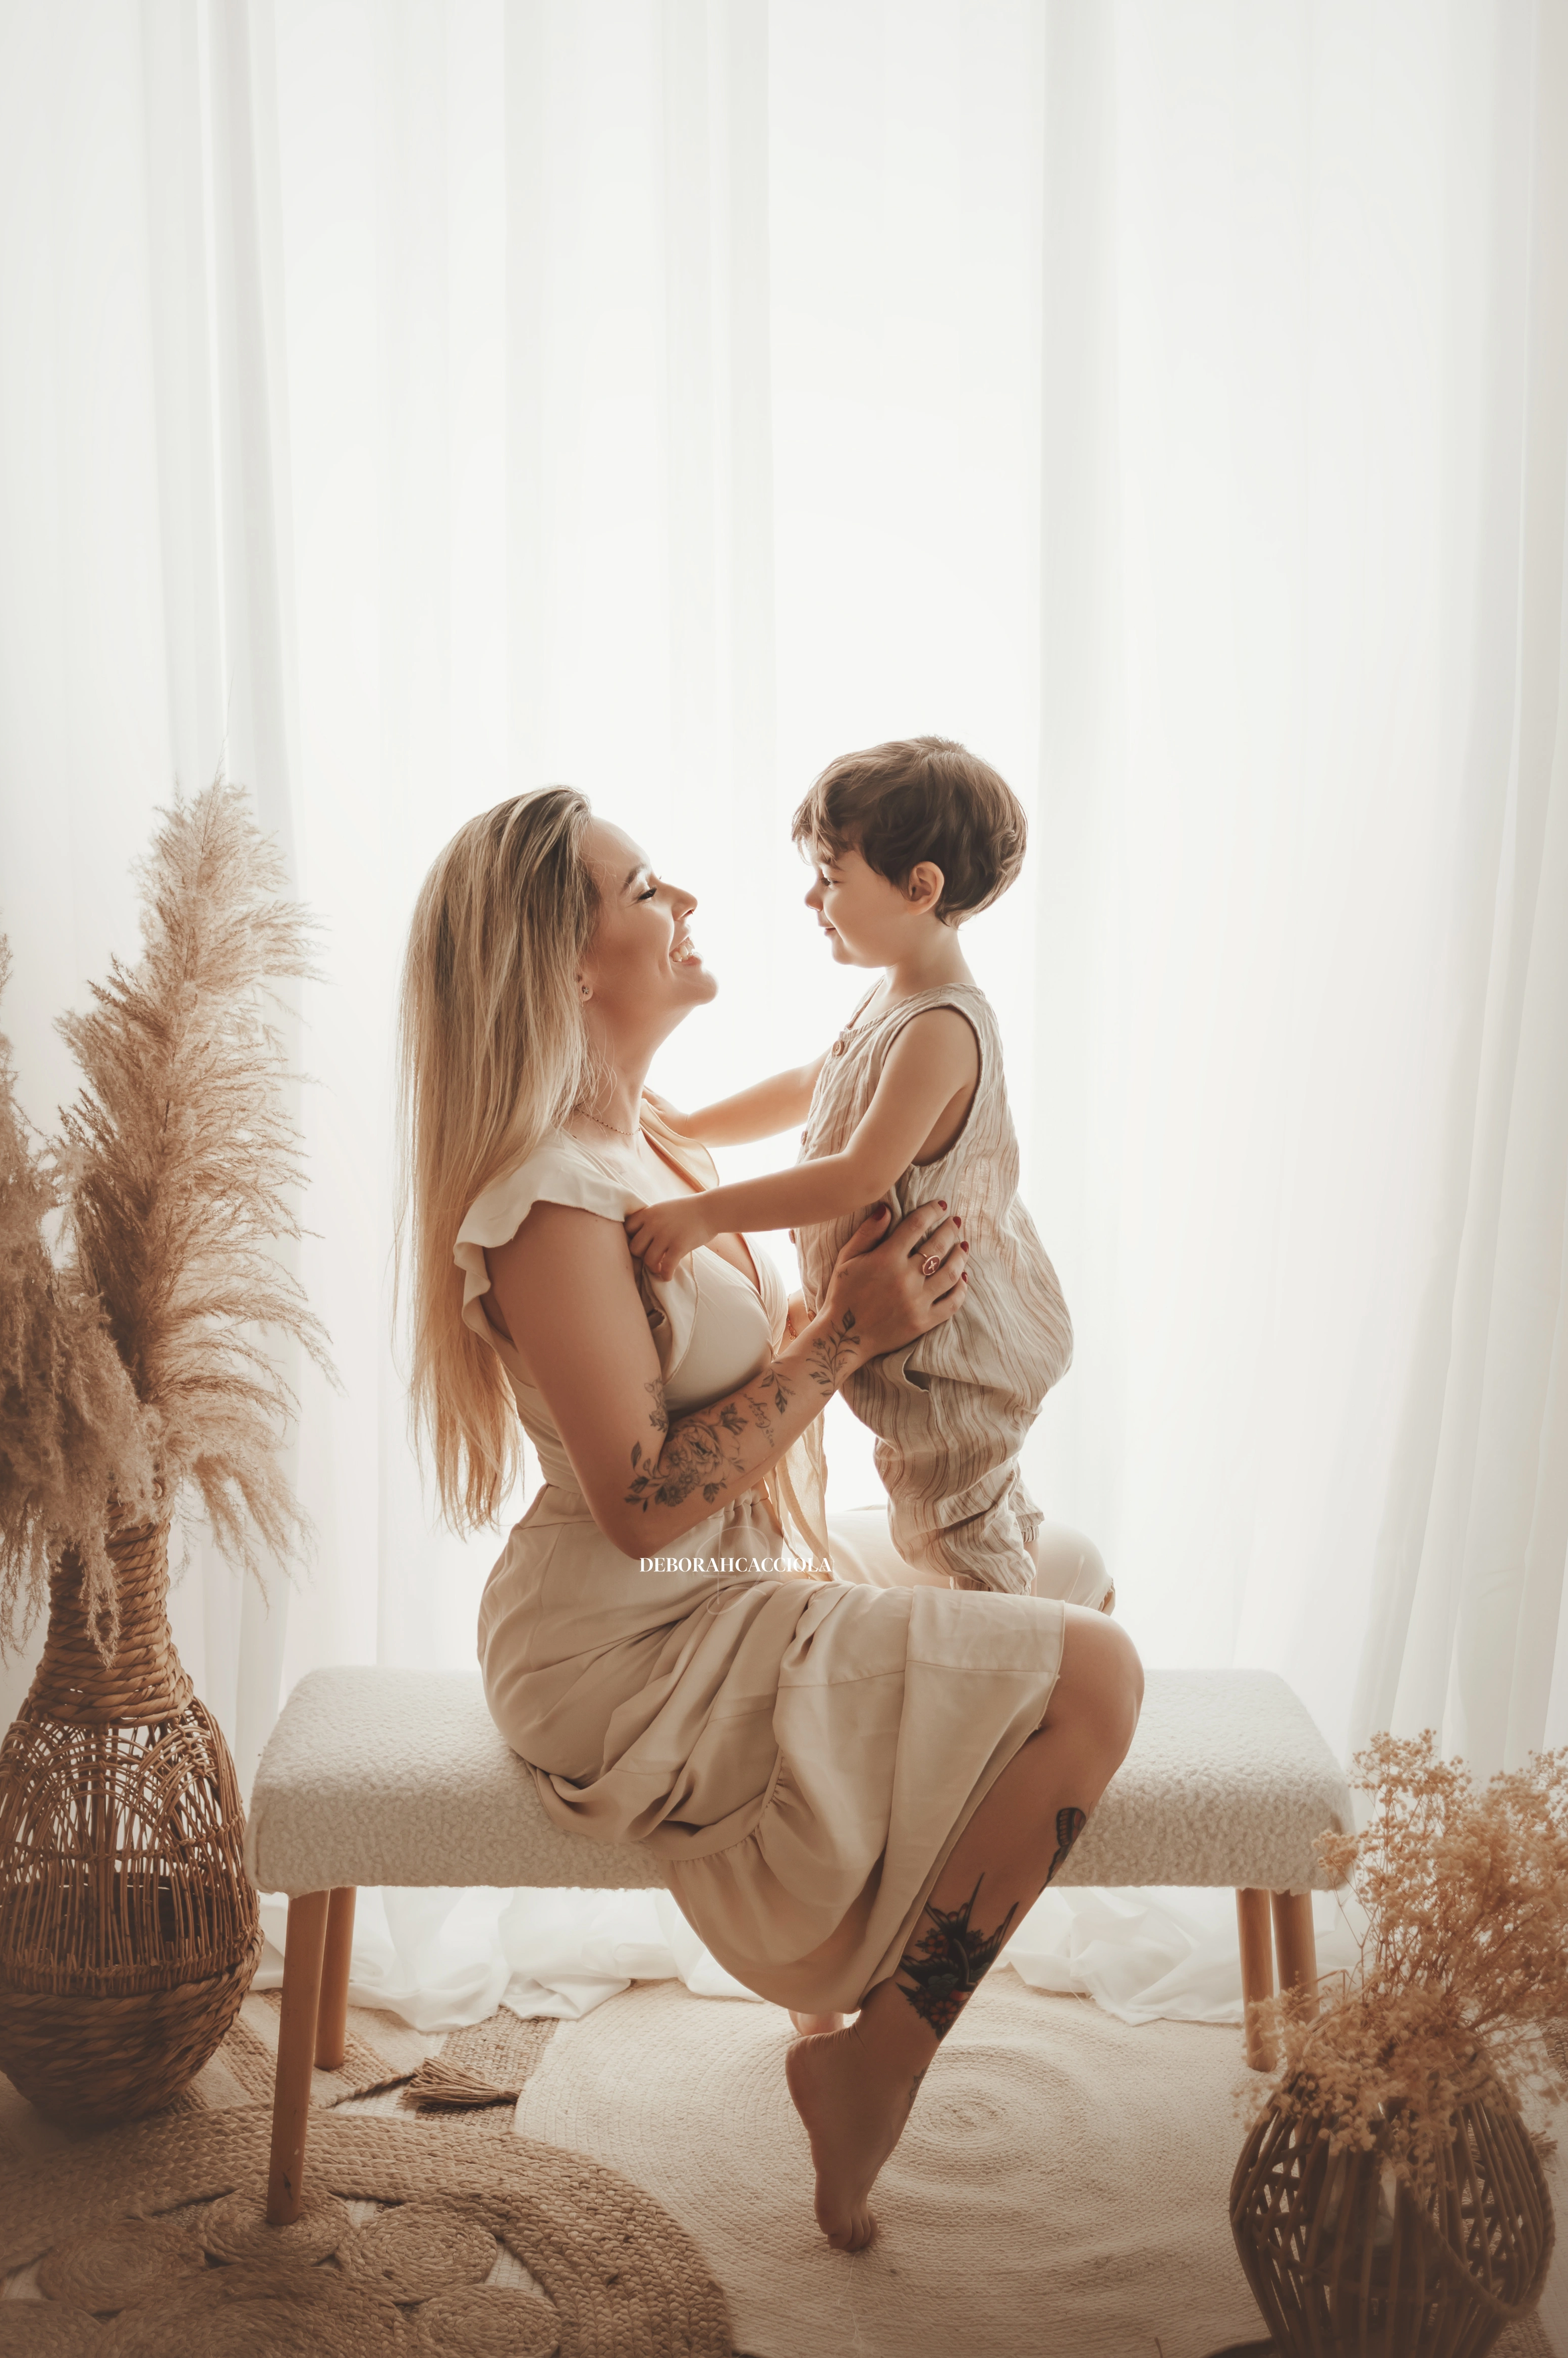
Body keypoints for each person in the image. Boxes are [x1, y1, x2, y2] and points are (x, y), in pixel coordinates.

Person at [399, 784, 1142, 2252]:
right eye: (646, 890)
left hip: (716, 1585)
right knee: (1096, 1678)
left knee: (1070, 1574)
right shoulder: (549, 1203)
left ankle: (841, 1969)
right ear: (563, 962)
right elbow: (642, 1505)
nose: (688, 908)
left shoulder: (648, 1157)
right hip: (629, 1642)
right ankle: (875, 2062)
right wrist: (836, 1340)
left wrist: (850, 1314)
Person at [625, 736, 1073, 1598]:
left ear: (920, 889)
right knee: (941, 1494)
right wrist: (690, 1122)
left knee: (951, 1513)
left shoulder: (942, 1025)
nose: (811, 897)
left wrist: (706, 1212)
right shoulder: (892, 998)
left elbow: (860, 1176)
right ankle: (1010, 1609)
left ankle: (1007, 1646)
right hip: (906, 1338)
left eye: (831, 877)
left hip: (951, 1347)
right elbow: (816, 1083)